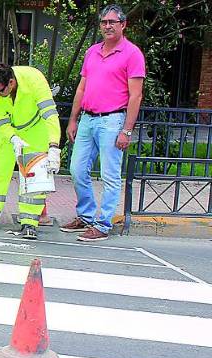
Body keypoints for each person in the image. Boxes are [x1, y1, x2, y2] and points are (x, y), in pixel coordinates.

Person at [61, 4, 145, 242]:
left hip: (113, 120)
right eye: (104, 22)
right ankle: (86, 216)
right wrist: (73, 119)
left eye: (112, 22)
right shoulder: (92, 52)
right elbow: (82, 87)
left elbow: (136, 95)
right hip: (87, 119)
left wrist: (127, 130)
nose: (107, 26)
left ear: (123, 25)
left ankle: (103, 224)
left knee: (110, 176)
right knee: (77, 170)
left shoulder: (132, 54)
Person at [0, 63, 61, 240]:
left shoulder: (34, 80)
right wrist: (12, 137)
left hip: (34, 129)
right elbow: (0, 120)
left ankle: (29, 222)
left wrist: (54, 147)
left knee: (33, 175)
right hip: (7, 132)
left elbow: (50, 115)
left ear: (11, 83)